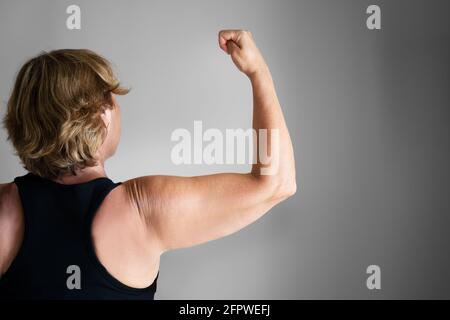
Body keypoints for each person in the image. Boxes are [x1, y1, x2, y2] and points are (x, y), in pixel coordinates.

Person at [0, 30, 296, 299]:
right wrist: (259, 72)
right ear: (103, 115)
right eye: (113, 100)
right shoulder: (140, 210)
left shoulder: (5, 209)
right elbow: (275, 183)